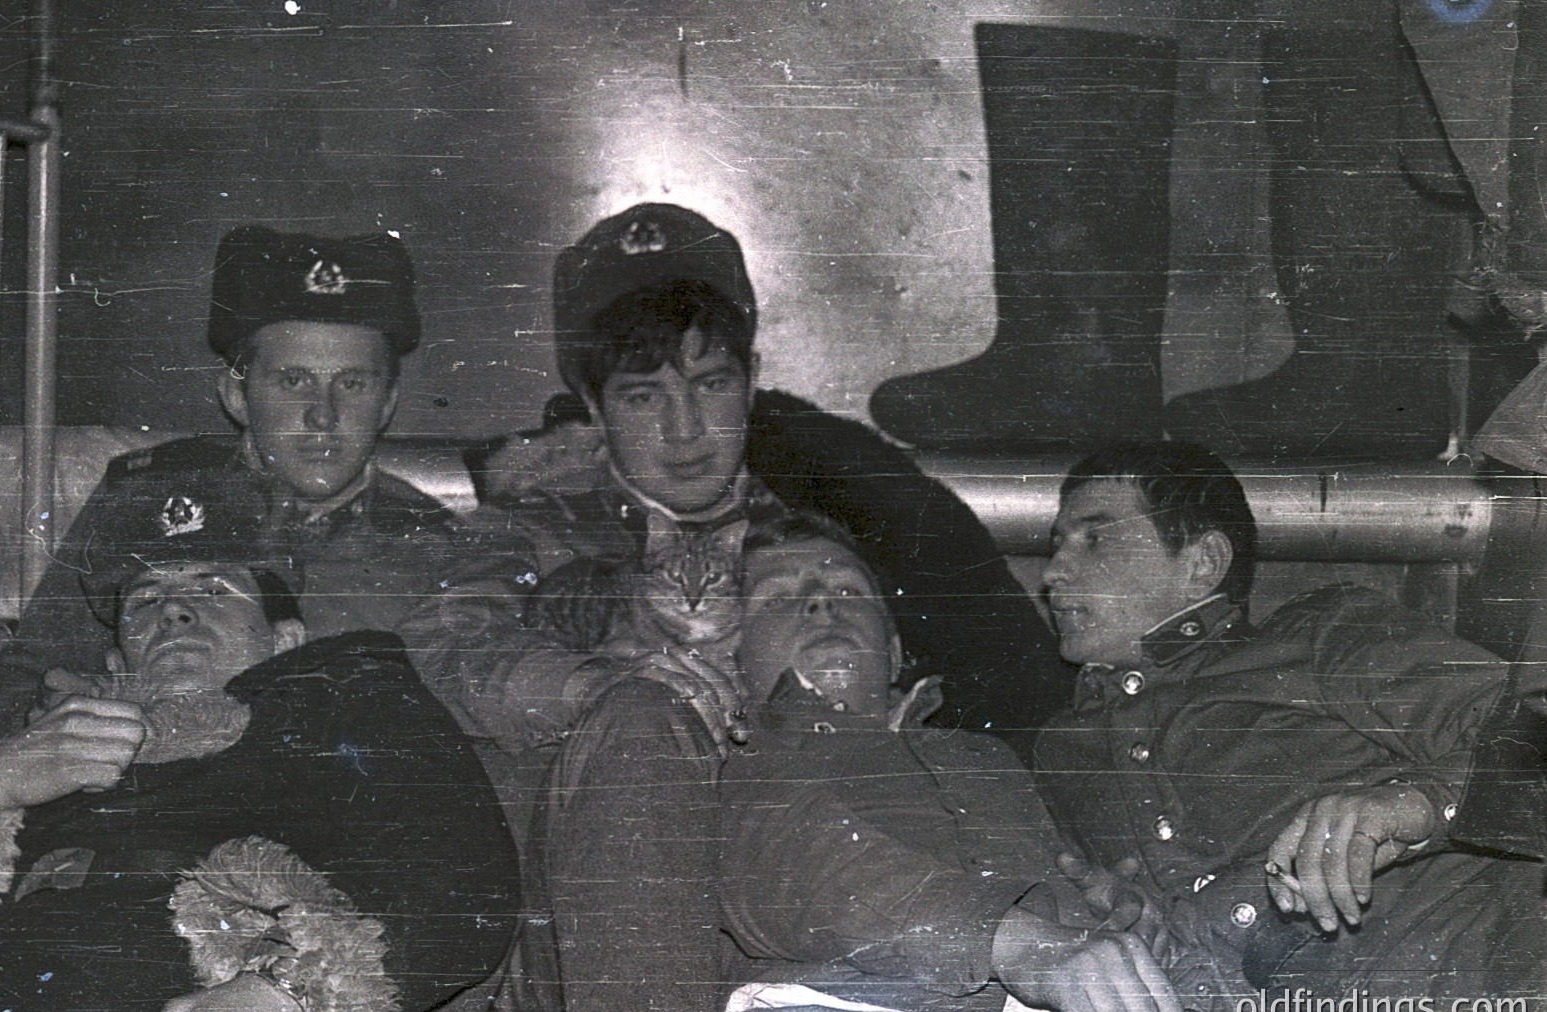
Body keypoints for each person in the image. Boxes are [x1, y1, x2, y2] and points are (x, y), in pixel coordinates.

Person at [496, 509, 1195, 1012]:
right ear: (728, 650)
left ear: (894, 648)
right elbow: (772, 849)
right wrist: (1010, 939)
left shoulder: (994, 761)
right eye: (779, 598)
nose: (821, 605)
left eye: (845, 589)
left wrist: (1129, 910)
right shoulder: (717, 743)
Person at [403, 202, 1063, 774]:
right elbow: (446, 646)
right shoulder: (530, 527)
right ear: (593, 407)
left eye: (710, 386)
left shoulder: (845, 515)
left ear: (752, 380)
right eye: (642, 397)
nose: (684, 431)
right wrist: (592, 684)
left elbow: (1006, 688)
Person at [0, 470, 518, 1012]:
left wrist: (285, 994)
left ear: (286, 640)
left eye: (214, 588)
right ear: (118, 661)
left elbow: (457, 881)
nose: (174, 609)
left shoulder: (345, 693)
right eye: (145, 599)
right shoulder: (36, 752)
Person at [1031, 441, 1547, 1012]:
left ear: (1203, 562)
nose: (1052, 572)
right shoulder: (1058, 751)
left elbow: (1538, 737)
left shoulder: (1323, 632)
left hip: (1495, 967)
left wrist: (1410, 807)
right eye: (1056, 544)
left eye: (1095, 539)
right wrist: (1147, 927)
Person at [0, 225, 513, 734]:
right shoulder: (153, 493)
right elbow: (29, 681)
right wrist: (49, 712)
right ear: (237, 396)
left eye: (352, 383)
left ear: (388, 404)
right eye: (293, 380)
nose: (323, 416)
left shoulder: (432, 541)